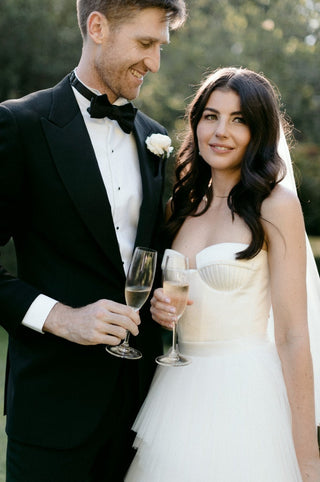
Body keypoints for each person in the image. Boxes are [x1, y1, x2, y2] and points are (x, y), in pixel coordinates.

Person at [0, 1, 187, 481]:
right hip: (52, 414)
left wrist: (163, 297)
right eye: (145, 43)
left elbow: (144, 250)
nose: (155, 63)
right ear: (98, 28)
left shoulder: (155, 138)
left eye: (161, 47)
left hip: (141, 413)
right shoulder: (20, 124)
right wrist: (61, 318)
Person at [124, 67, 320, 481]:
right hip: (178, 390)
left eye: (239, 120)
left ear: (259, 131)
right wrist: (163, 308)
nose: (220, 131)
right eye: (211, 116)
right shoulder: (183, 200)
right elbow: (182, 297)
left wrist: (308, 461)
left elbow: (292, 335)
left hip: (246, 395)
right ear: (196, 122)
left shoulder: (275, 204)